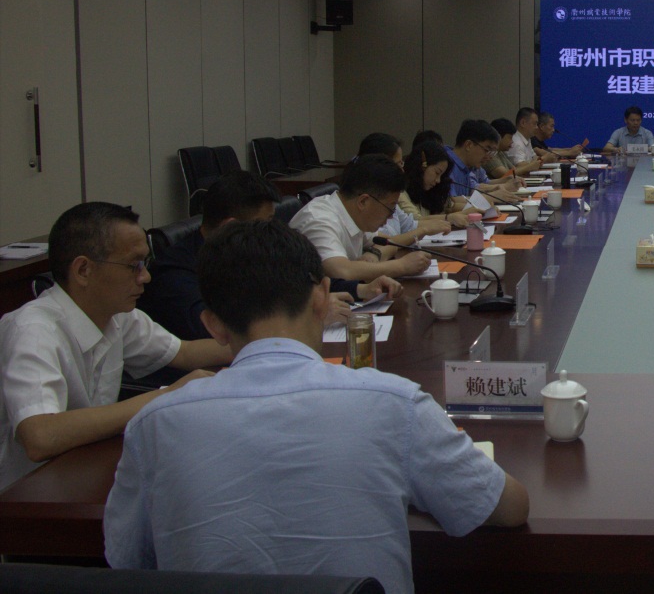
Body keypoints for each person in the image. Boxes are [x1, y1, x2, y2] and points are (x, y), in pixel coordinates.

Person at [104, 220, 529, 590]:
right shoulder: (394, 404)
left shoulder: (153, 425)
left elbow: (126, 561)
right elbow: (509, 508)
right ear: (323, 298)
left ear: (213, 325)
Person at [0, 202, 232, 491]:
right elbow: (40, 436)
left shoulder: (116, 315)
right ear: (83, 270)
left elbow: (185, 352)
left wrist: (265, 339)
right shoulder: (33, 331)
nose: (145, 277)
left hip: (81, 471)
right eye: (133, 266)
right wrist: (165, 396)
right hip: (23, 496)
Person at [141, 171, 400, 341]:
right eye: (265, 223)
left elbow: (297, 280)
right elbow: (220, 334)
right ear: (231, 227)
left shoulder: (249, 251)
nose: (273, 230)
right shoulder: (174, 275)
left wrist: (362, 289)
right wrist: (306, 315)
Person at [290, 154, 432, 281]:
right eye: (390, 209)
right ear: (363, 202)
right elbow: (341, 271)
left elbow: (389, 243)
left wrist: (374, 254)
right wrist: (402, 266)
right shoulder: (319, 220)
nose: (390, 217)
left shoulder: (352, 213)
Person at [447, 119, 522, 203]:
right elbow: (450, 203)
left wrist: (497, 187)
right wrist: (492, 196)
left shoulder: (468, 165)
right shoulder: (446, 165)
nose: (489, 156)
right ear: (469, 145)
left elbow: (475, 188)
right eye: (487, 150)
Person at [401, 140, 472, 227]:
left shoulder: (430, 190)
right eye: (437, 173)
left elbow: (450, 206)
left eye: (441, 176)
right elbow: (415, 220)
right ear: (423, 165)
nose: (438, 180)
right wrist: (448, 218)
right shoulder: (400, 190)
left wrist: (475, 209)